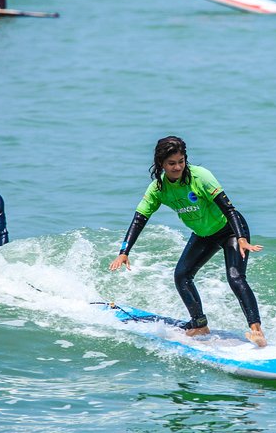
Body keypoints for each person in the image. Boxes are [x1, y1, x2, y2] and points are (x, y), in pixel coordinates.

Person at [109, 136, 267, 347]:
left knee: (235, 277)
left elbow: (229, 209)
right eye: (171, 163)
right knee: (182, 276)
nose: (177, 167)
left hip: (230, 230)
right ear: (161, 164)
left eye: (181, 161)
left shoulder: (201, 177)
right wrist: (124, 251)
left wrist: (241, 238)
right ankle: (199, 324)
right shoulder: (158, 189)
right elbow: (140, 219)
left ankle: (256, 331)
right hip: (203, 234)